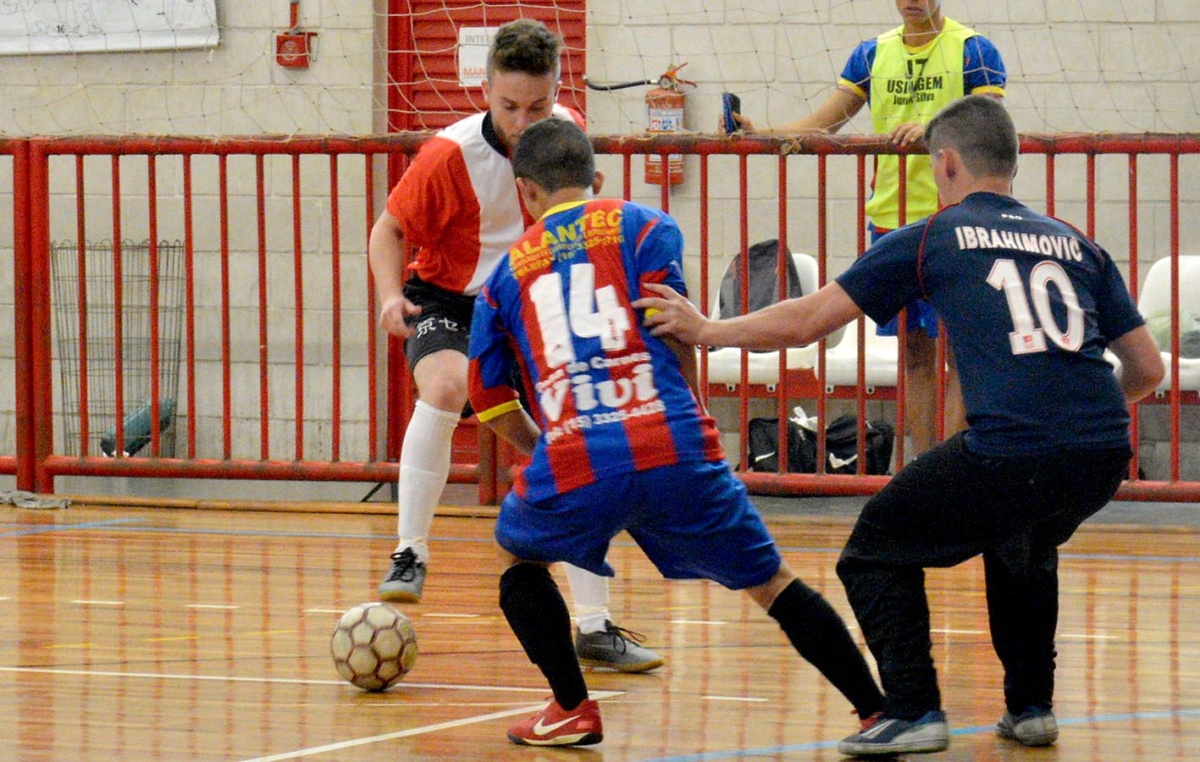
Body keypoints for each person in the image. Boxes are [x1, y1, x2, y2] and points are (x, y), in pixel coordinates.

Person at [641, 95, 1164, 756]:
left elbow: (806, 320)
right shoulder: (1076, 243)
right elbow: (1146, 368)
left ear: (944, 163)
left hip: (1010, 448)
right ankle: (1031, 709)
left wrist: (708, 329)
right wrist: (1088, 427)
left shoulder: (932, 237)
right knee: (1022, 538)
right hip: (1100, 452)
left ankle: (914, 709)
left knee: (875, 548)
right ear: (1013, 162)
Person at [468, 117, 886, 747]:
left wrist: (544, 445)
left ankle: (571, 707)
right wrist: (692, 415)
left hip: (577, 455)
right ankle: (876, 712)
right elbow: (679, 330)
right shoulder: (646, 226)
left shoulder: (501, 280)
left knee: (514, 556)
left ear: (524, 192)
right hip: (671, 440)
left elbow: (488, 398)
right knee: (772, 584)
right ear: (596, 180)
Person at [367, 18, 662, 673]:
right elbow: (388, 231)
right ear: (484, 91)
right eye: (508, 107)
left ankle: (595, 625)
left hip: (530, 301)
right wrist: (391, 296)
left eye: (538, 107)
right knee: (445, 388)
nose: (524, 122)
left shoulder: (567, 136)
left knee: (581, 440)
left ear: (558, 92)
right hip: (451, 299)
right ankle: (410, 549)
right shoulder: (448, 156)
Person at [731, 0, 1007, 456]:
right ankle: (922, 468)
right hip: (893, 224)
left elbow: (986, 125)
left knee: (962, 356)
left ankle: (957, 473)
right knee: (914, 357)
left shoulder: (973, 50)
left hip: (957, 219)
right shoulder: (871, 55)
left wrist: (934, 130)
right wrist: (762, 133)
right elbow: (825, 122)